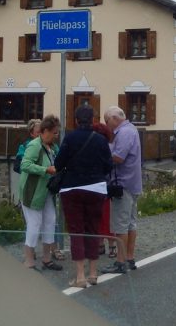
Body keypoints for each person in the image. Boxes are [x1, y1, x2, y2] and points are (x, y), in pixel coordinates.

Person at [54, 106, 112, 289]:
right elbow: (109, 166)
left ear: (76, 120)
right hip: (96, 188)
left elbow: (58, 164)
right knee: (93, 229)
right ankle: (93, 273)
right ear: (93, 119)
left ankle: (80, 276)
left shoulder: (70, 138)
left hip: (72, 188)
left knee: (76, 231)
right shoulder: (101, 140)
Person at [17, 115, 62, 271]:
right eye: (55, 133)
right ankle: (29, 261)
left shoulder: (52, 147)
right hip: (32, 192)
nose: (57, 136)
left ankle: (47, 259)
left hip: (47, 191)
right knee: (34, 224)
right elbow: (25, 164)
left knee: (50, 221)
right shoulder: (34, 146)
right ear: (46, 131)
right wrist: (45, 170)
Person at [102, 106, 143, 273]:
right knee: (131, 223)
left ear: (114, 118)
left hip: (123, 184)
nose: (106, 125)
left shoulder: (124, 132)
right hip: (132, 182)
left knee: (121, 225)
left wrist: (104, 151)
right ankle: (129, 258)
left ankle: (121, 261)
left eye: (107, 121)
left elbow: (118, 157)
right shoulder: (131, 129)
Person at [92, 121, 116, 258]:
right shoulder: (106, 146)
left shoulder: (107, 147)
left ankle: (110, 246)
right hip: (100, 186)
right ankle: (102, 245)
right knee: (101, 217)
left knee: (106, 217)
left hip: (104, 186)